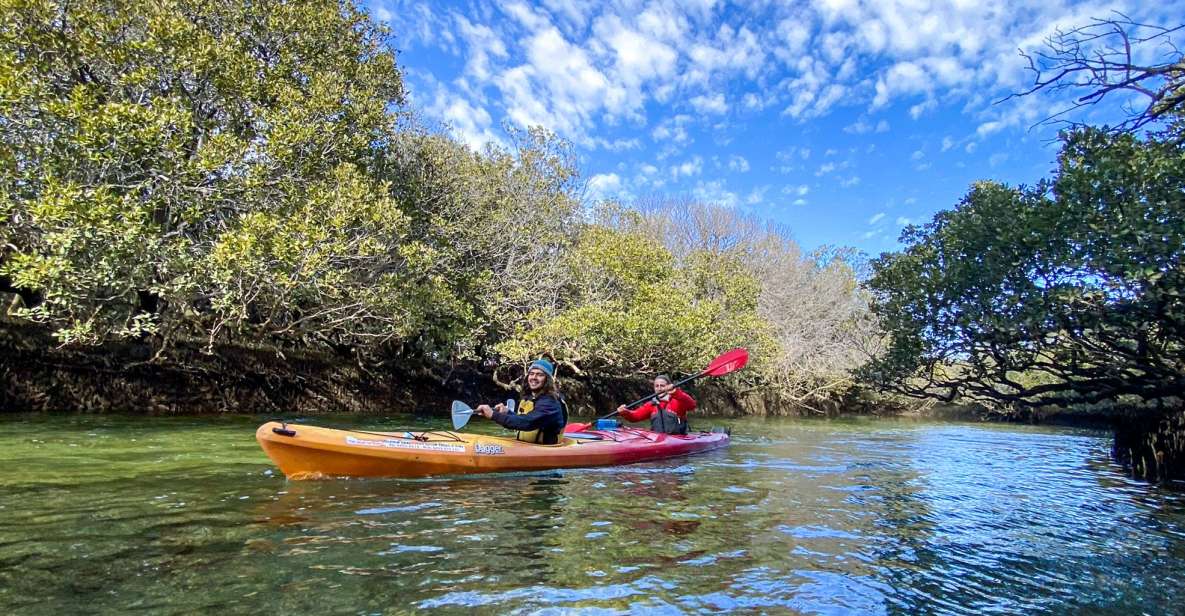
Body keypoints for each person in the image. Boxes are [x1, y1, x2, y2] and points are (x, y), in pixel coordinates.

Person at [476, 358, 567, 444]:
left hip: (544, 452)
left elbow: (527, 422)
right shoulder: (534, 398)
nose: (534, 377)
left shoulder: (550, 403)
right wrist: (507, 412)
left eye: (540, 375)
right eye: (531, 374)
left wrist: (493, 414)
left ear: (547, 380)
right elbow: (524, 419)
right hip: (528, 447)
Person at [616, 374, 696, 435]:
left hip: (677, 438)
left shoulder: (677, 401)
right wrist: (625, 412)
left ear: (668, 386)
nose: (659, 388)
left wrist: (676, 392)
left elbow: (692, 405)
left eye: (662, 386)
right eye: (656, 386)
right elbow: (635, 417)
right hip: (658, 440)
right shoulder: (651, 405)